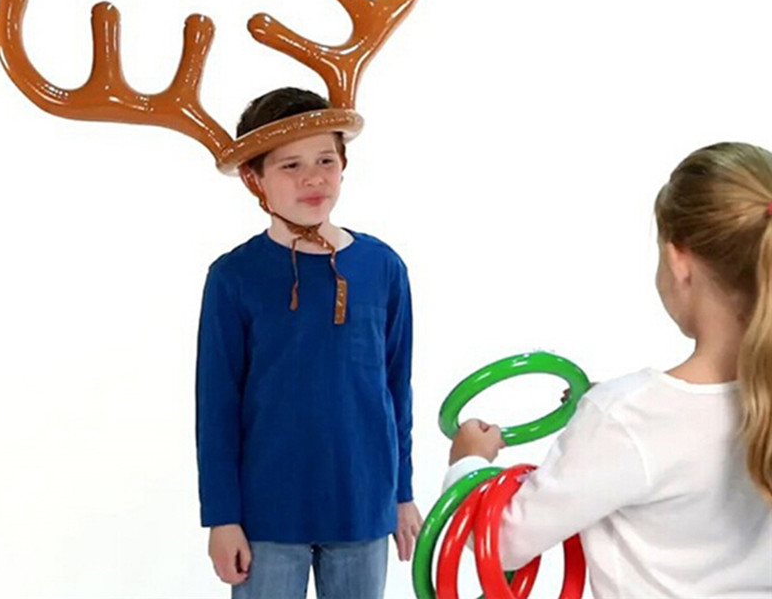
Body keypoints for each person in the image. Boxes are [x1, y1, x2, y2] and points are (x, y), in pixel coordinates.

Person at [446, 141, 772, 598]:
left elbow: (500, 543)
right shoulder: (627, 417)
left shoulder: (624, 417)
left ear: (678, 261)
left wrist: (468, 461)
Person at [196, 87, 422, 599]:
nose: (313, 178)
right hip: (267, 512)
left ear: (344, 163)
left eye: (325, 160)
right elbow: (217, 406)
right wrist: (222, 517)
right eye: (290, 166)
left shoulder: (383, 268)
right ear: (254, 178)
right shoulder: (234, 277)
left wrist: (402, 492)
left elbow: (395, 390)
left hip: (362, 504)